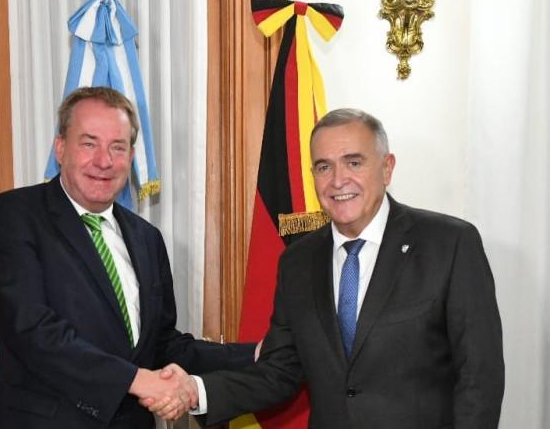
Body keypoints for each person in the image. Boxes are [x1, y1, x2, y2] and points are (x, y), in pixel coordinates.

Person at [149, 108, 505, 427]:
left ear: (387, 168)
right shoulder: (298, 262)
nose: (337, 180)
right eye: (323, 167)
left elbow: (479, 375)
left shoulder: (449, 244)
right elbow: (280, 370)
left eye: (354, 162)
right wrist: (196, 390)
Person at [0, 86, 255, 429]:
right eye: (89, 143)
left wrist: (256, 353)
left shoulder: (147, 239)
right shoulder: (14, 215)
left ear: (132, 156)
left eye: (117, 147)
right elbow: (32, 329)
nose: (104, 161)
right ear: (60, 148)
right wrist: (137, 380)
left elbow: (162, 344)